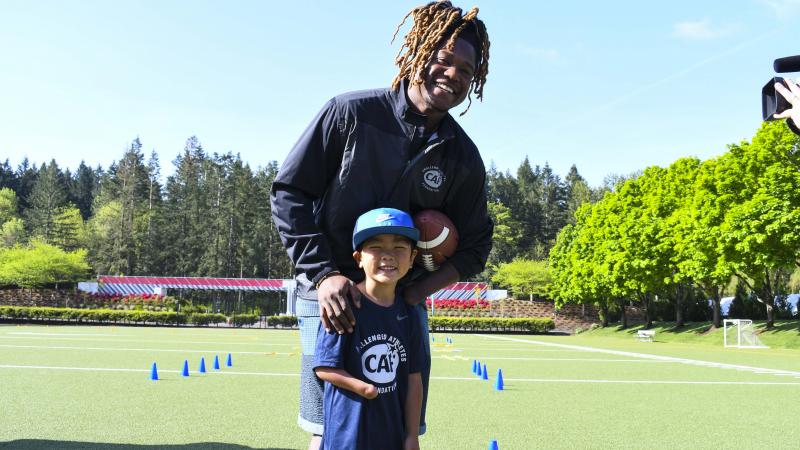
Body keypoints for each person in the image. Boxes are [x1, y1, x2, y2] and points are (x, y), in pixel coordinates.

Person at [270, 2, 493, 447]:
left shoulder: (461, 156)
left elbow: (475, 245)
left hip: (401, 306)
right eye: (444, 59)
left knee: (402, 429)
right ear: (417, 52)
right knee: (328, 428)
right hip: (331, 295)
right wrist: (324, 274)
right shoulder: (351, 113)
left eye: (466, 71)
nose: (453, 75)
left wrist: (413, 295)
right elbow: (289, 192)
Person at [314, 208, 424, 450]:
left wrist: (412, 435)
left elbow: (413, 378)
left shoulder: (409, 312)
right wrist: (363, 387)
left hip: (391, 434)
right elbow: (324, 367)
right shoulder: (343, 304)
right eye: (375, 247)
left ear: (412, 257)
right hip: (348, 434)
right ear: (358, 258)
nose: (388, 255)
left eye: (399, 248)